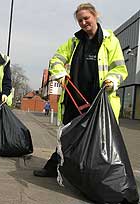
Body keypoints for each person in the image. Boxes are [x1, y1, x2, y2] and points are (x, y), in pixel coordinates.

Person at [33, 3, 128, 177]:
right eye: (80, 20)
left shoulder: (110, 40)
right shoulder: (74, 41)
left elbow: (120, 68)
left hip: (99, 99)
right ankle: (56, 166)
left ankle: (95, 176)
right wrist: (61, 75)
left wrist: (111, 80)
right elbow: (56, 60)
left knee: (99, 141)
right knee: (67, 135)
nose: (83, 23)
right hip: (74, 98)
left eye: (86, 18)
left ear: (95, 15)